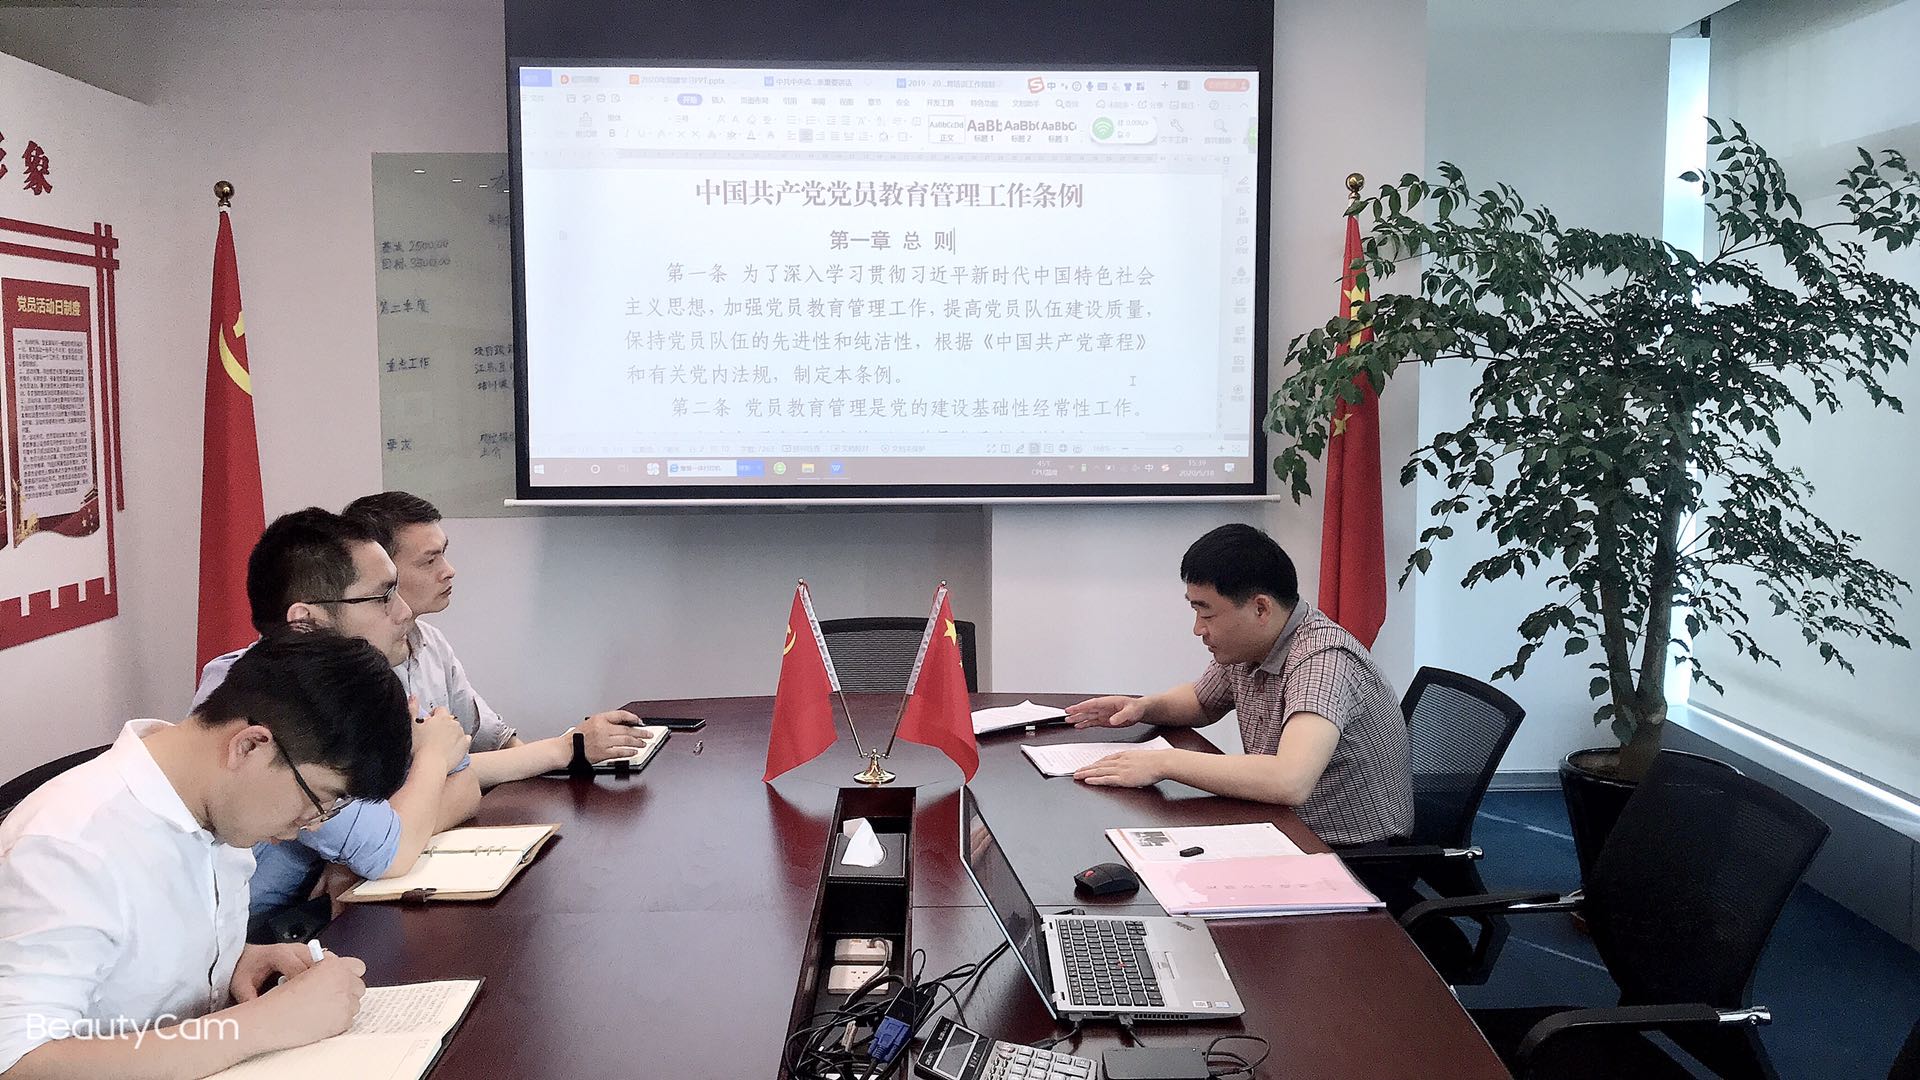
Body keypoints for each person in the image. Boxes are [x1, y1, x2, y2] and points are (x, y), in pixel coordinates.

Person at [0, 632, 410, 1077]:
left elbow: (130, 963)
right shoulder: (67, 846)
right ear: (250, 746)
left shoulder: (215, 808)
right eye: (318, 801)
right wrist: (261, 1025)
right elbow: (19, 1061)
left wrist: (236, 961)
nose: (310, 825)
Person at [192, 508, 478, 916]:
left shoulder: (353, 687)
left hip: (296, 923)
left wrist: (358, 851)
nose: (404, 612)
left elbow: (466, 787)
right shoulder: (264, 699)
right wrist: (431, 758)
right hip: (246, 935)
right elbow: (391, 852)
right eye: (382, 597)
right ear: (305, 622)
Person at [1066, 523, 1414, 846]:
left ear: (1261, 609)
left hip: (1351, 857)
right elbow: (1201, 702)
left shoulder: (1322, 660)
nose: (1198, 629)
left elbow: (1289, 780)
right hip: (1283, 829)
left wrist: (1163, 763)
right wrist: (1142, 707)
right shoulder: (1253, 645)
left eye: (1207, 613)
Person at [341, 491, 653, 785]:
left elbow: (495, 740)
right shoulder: (352, 666)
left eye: (444, 554)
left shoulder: (430, 641)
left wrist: (557, 766)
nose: (449, 571)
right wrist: (568, 749)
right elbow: (421, 779)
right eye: (429, 561)